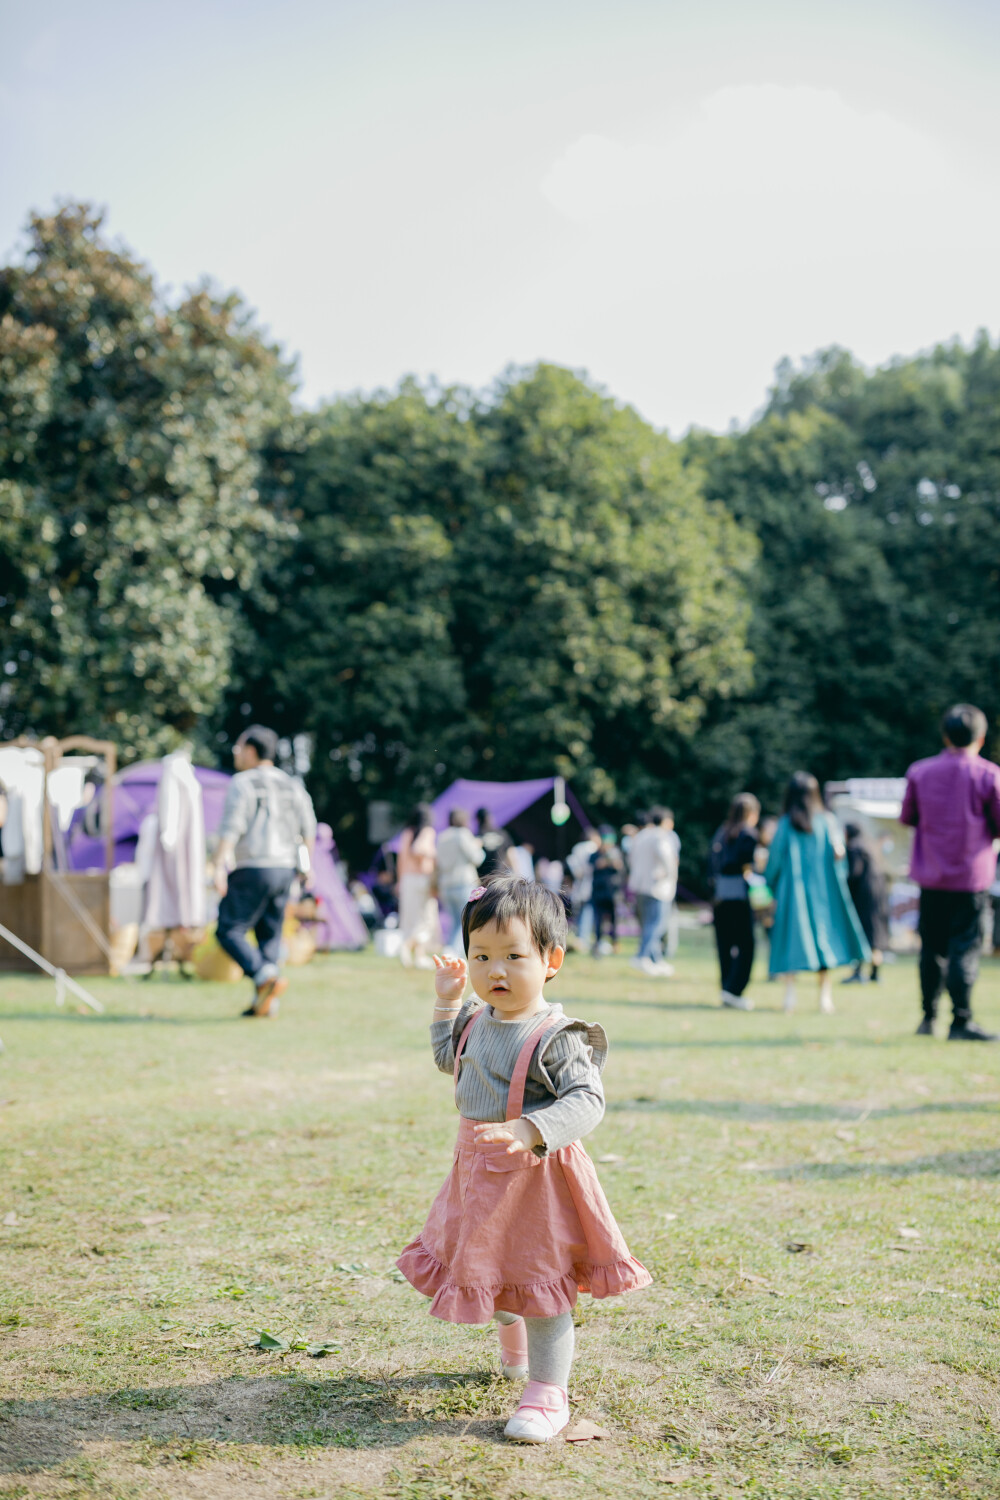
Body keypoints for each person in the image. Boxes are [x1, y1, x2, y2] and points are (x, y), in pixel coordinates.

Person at [396, 876, 651, 1443]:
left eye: (514, 956)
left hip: (538, 1180)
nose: (495, 971)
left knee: (541, 1285)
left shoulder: (558, 1036)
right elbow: (448, 1060)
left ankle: (546, 1393)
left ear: (551, 959)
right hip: (477, 1175)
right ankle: (513, 1350)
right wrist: (445, 1000)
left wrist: (532, 1127)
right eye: (481, 955)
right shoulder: (475, 1020)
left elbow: (588, 1099)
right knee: (491, 1273)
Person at [900, 703, 1000, 1041]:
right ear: (981, 738)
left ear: (944, 735)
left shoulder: (919, 771)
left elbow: (908, 817)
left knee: (931, 948)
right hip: (971, 879)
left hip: (931, 875)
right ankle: (961, 1020)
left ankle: (928, 1018)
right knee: (965, 949)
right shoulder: (988, 775)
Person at [214, 725, 316, 1017]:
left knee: (228, 929)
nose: (236, 754)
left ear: (250, 751)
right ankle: (268, 1004)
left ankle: (263, 976)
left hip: (253, 865)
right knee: (269, 936)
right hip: (285, 869)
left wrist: (219, 865)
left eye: (237, 748)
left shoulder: (243, 783)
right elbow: (308, 826)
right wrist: (306, 865)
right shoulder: (292, 784)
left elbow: (232, 826)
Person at [765, 773, 870, 1014]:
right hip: (825, 893)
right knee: (824, 940)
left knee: (791, 938)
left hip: (793, 893)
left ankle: (790, 995)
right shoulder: (828, 821)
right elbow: (839, 859)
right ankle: (825, 997)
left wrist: (770, 885)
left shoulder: (784, 825)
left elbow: (774, 862)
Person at [709, 793, 761, 1010]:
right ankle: (735, 989)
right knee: (747, 944)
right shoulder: (747, 834)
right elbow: (747, 865)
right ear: (751, 813)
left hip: (720, 896)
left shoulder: (721, 833)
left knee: (725, 944)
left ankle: (726, 988)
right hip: (740, 895)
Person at [627, 806, 678, 977]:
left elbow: (630, 858)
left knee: (648, 923)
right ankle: (642, 956)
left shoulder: (641, 836)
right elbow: (667, 860)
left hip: (640, 885)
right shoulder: (661, 836)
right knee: (657, 924)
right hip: (658, 886)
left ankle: (655, 959)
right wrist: (670, 875)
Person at [842, 823, 889, 984]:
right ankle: (875, 973)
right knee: (876, 933)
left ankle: (858, 971)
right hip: (879, 895)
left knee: (860, 932)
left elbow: (854, 872)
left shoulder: (855, 847)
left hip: (863, 896)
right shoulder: (870, 845)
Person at [435, 808, 484, 952]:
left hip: (445, 884)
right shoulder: (463, 834)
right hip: (463, 882)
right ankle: (452, 951)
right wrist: (477, 845)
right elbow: (477, 858)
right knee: (465, 920)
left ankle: (450, 949)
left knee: (455, 922)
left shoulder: (442, 836)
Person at [397, 804, 438, 969]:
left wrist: (399, 881)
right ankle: (407, 947)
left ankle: (416, 956)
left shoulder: (406, 833)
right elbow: (419, 849)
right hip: (422, 878)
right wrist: (432, 855)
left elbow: (401, 859)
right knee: (427, 919)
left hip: (407, 879)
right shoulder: (428, 831)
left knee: (410, 918)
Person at [590, 828, 623, 955]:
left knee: (614, 920)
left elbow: (620, 867)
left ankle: (614, 943)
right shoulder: (595, 854)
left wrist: (612, 861)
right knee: (598, 920)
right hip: (598, 892)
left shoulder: (616, 853)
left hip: (613, 893)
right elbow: (593, 867)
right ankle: (597, 943)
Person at [566, 826, 600, 947]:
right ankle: (583, 938)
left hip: (579, 883)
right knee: (588, 910)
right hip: (590, 883)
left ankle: (579, 936)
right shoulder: (592, 847)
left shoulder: (577, 848)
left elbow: (570, 861)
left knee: (579, 910)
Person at [476, 808, 514, 878]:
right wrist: (515, 873)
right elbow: (511, 855)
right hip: (501, 876)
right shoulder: (502, 834)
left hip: (484, 878)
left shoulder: (477, 837)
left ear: (477, 820)